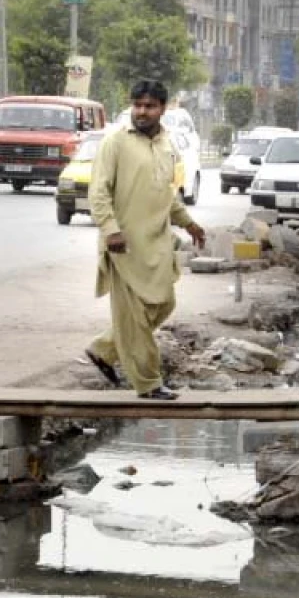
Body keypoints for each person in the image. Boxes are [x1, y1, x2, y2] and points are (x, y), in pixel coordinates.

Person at [85, 80, 206, 401]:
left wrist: (190, 224)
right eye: (137, 105)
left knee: (164, 303)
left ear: (162, 109)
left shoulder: (168, 145)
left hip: (155, 245)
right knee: (134, 318)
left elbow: (168, 194)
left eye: (149, 105)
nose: (142, 111)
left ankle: (105, 349)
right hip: (122, 246)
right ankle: (149, 383)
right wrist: (110, 229)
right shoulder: (115, 143)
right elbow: (97, 192)